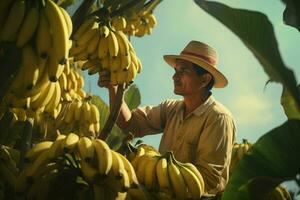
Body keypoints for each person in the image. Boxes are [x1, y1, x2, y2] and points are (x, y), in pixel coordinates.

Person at [98, 40, 236, 197]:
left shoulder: (218, 117)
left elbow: (208, 181)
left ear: (204, 79)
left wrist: (158, 174)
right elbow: (131, 124)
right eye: (176, 70)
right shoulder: (171, 109)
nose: (174, 77)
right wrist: (113, 88)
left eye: (183, 71)